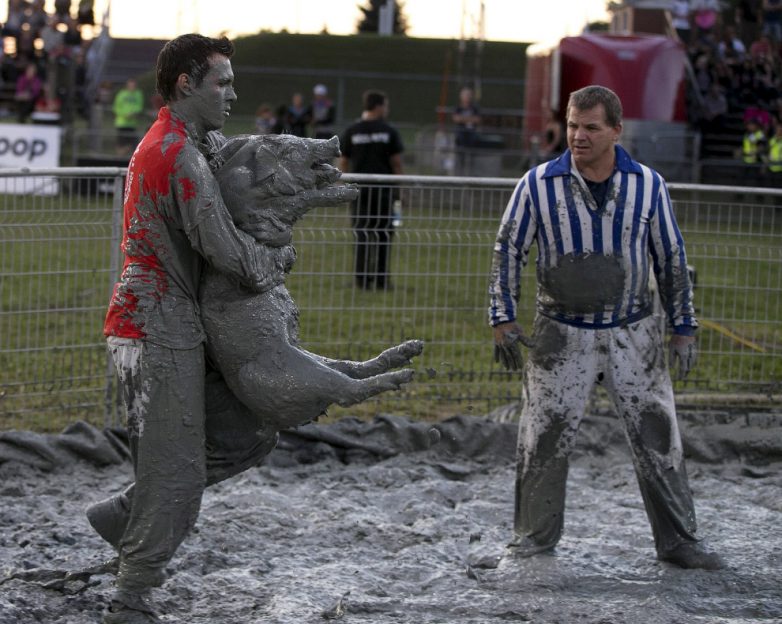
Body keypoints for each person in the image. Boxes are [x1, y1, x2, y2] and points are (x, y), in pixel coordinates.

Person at [93, 33, 296, 623]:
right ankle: (131, 593)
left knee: (249, 429)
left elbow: (246, 169)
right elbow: (226, 251)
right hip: (155, 325)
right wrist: (275, 261)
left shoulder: (194, 143)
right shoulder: (175, 153)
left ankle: (126, 514)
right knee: (176, 470)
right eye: (222, 82)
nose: (233, 93)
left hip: (176, 321)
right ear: (187, 84)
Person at [488, 85, 724, 571]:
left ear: (617, 131)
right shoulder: (536, 184)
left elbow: (671, 257)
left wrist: (684, 326)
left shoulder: (648, 185)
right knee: (543, 438)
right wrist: (502, 318)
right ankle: (533, 538)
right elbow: (507, 249)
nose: (578, 136)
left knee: (658, 436)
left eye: (591, 127)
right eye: (573, 125)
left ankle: (680, 540)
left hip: (634, 333)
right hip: (559, 333)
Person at [339, 89, 404, 290]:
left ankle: (362, 280)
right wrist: (400, 190)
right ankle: (382, 280)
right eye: (385, 105)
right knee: (384, 233)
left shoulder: (352, 131)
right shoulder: (388, 131)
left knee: (362, 233)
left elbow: (343, 161)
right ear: (378, 107)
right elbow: (396, 163)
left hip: (359, 191)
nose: (387, 109)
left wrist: (344, 185)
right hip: (384, 191)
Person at [452, 86, 481, 175]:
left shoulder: (474, 108)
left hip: (471, 134)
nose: (467, 97)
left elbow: (477, 120)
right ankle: (459, 172)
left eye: (468, 95)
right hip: (461, 134)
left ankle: (471, 173)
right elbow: (456, 119)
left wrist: (463, 119)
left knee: (471, 151)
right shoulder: (458, 108)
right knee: (460, 152)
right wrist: (469, 119)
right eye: (465, 95)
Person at [113, 78, 145, 155]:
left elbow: (139, 106)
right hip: (122, 123)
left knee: (133, 144)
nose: (132, 87)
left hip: (132, 124)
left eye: (133, 85)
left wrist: (133, 113)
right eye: (130, 85)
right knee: (121, 144)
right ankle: (120, 158)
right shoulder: (121, 94)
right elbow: (116, 107)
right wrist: (125, 115)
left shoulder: (138, 94)